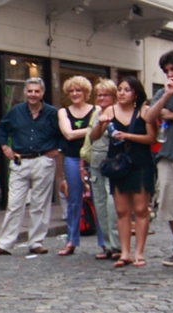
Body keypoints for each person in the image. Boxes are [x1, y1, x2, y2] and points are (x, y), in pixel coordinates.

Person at [0, 77, 61, 256]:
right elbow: (1, 130)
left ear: (42, 93)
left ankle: (36, 242)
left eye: (36, 91)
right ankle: (4, 243)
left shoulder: (51, 113)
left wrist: (58, 148)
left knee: (40, 204)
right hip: (20, 161)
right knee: (14, 203)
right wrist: (4, 147)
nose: (33, 95)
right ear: (25, 92)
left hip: (42, 161)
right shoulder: (16, 111)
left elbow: (63, 133)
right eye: (30, 91)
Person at [91, 76, 157, 268]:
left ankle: (139, 253)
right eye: (119, 89)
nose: (121, 93)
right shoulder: (109, 110)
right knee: (121, 210)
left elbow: (151, 138)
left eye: (126, 90)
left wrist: (127, 135)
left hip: (140, 163)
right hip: (117, 164)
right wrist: (100, 123)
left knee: (140, 210)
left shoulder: (144, 111)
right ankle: (125, 252)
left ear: (136, 93)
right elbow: (94, 137)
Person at [145, 49, 173, 267]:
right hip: (168, 155)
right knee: (172, 205)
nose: (170, 73)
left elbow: (169, 117)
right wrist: (167, 96)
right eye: (167, 70)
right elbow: (149, 116)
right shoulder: (165, 93)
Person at [57, 76, 99, 256]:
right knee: (74, 200)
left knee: (100, 199)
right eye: (71, 91)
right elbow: (68, 134)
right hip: (73, 158)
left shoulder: (96, 109)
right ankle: (71, 240)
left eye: (78, 90)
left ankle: (105, 242)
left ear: (86, 93)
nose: (75, 94)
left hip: (95, 158)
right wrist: (92, 129)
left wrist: (85, 131)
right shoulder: (63, 112)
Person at [88, 79, 121, 260]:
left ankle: (118, 245)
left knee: (112, 206)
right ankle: (107, 245)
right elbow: (90, 138)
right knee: (100, 206)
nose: (101, 98)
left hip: (112, 164)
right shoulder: (96, 114)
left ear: (114, 97)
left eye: (105, 95)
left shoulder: (117, 113)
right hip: (95, 163)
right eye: (99, 95)